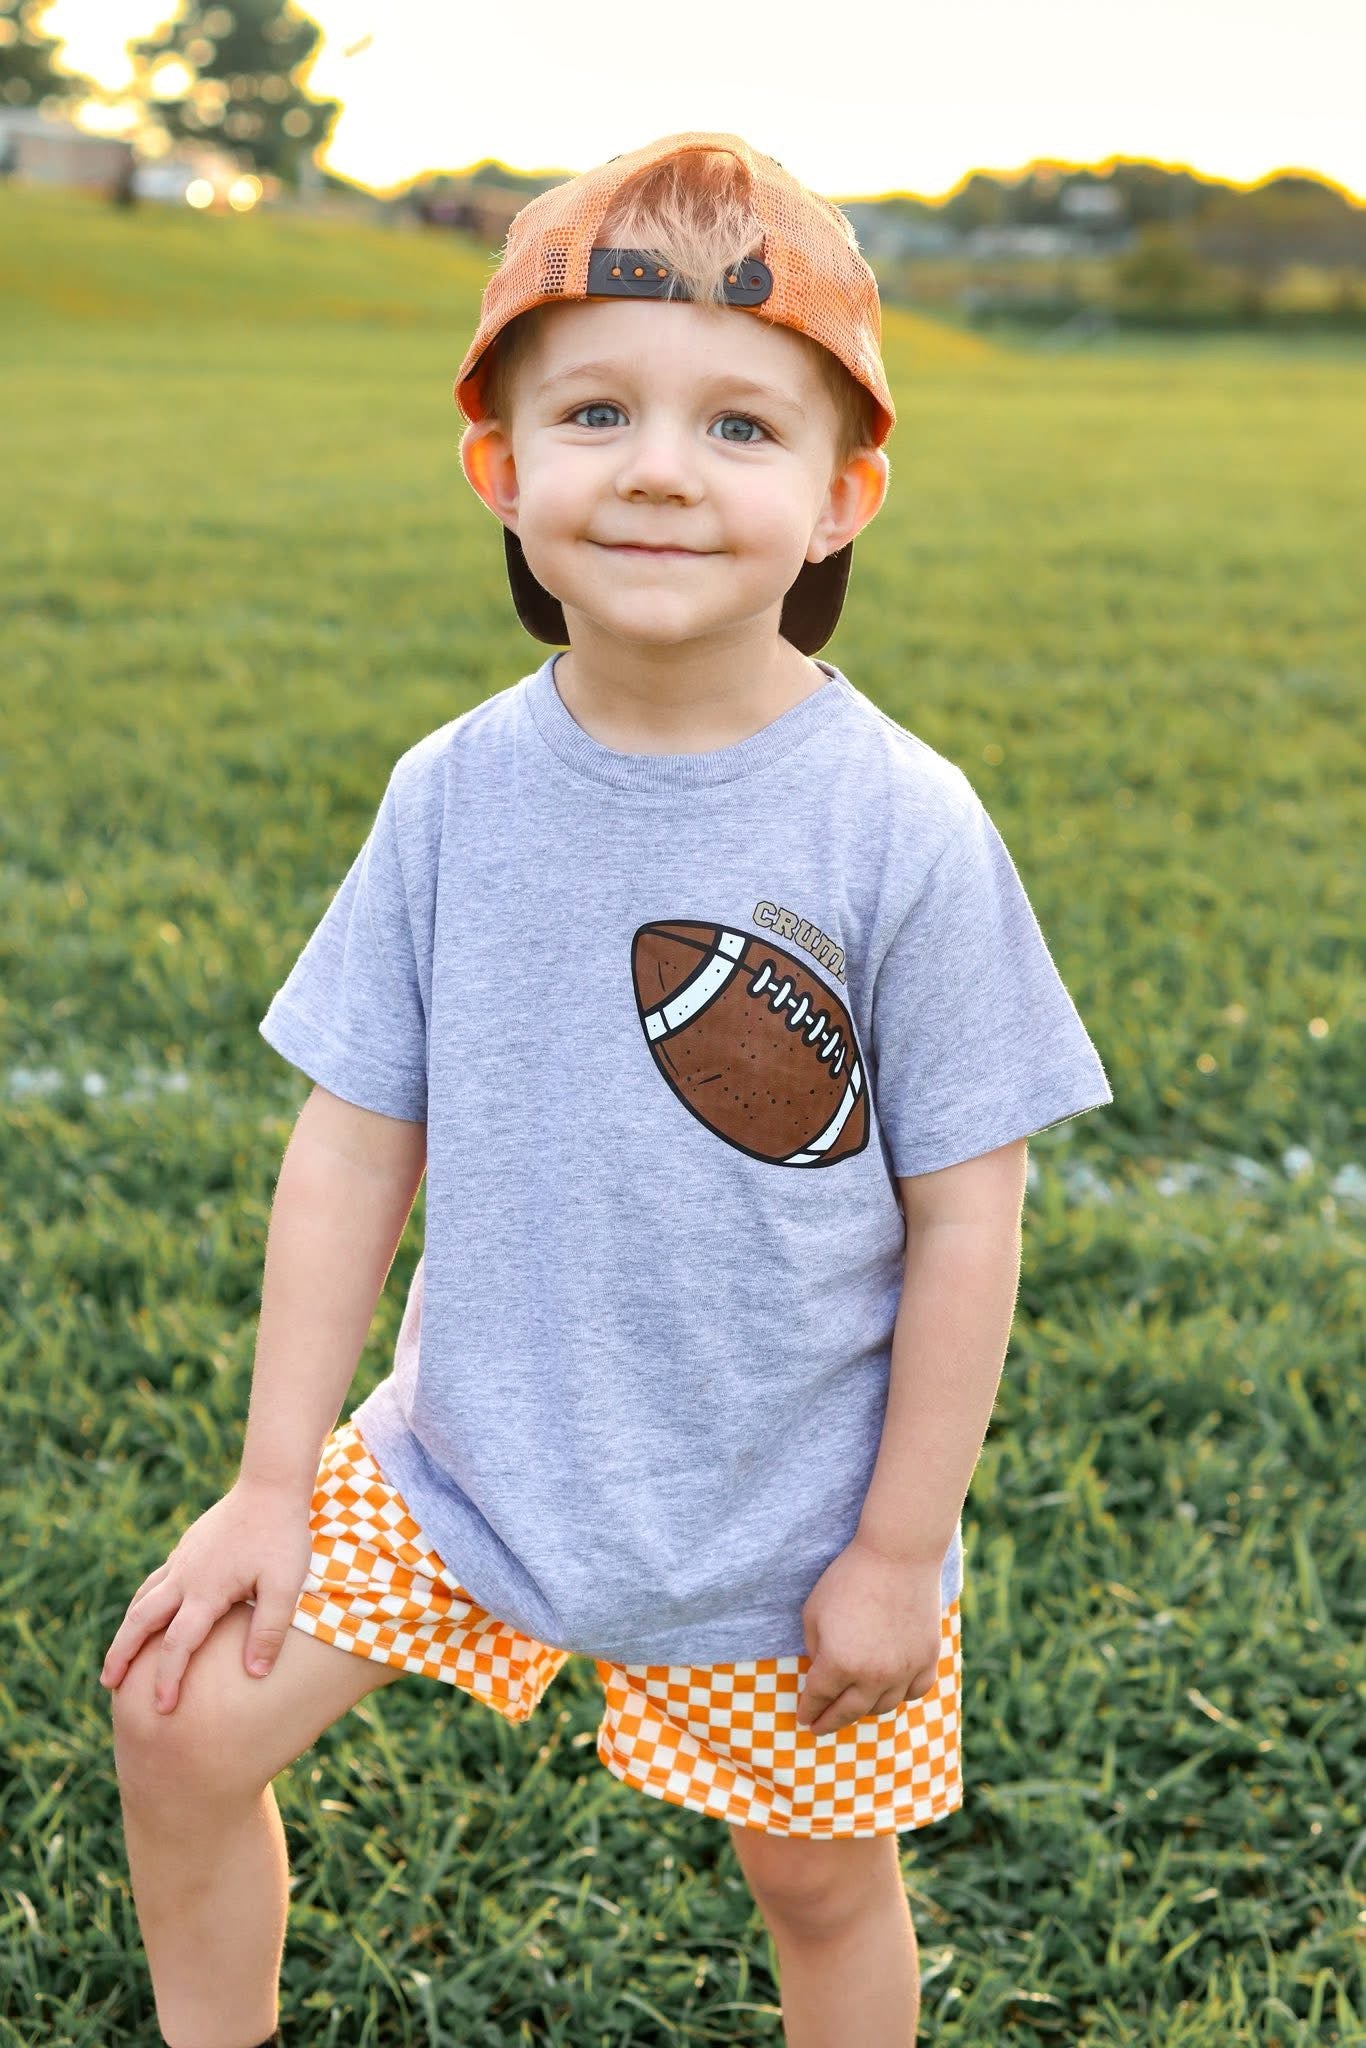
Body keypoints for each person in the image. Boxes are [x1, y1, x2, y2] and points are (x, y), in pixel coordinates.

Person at [99, 130, 1113, 2048]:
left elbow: (967, 1210)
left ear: (841, 498)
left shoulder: (898, 822)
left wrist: (895, 1552)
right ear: (501, 465)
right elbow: (352, 1139)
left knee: (817, 1882)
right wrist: (265, 1482)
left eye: (741, 428)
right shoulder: (449, 794)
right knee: (175, 1722)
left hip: (779, 1514)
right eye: (597, 410)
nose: (657, 465)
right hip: (461, 1461)